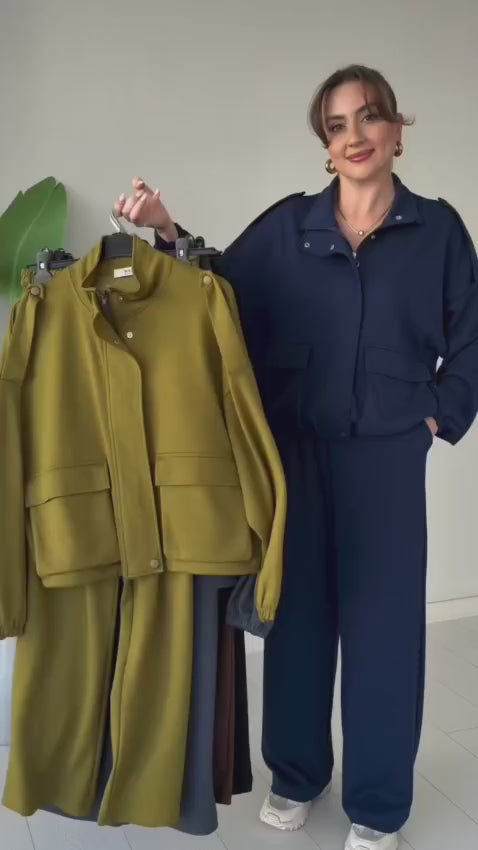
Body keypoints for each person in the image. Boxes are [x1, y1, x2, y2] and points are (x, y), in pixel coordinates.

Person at [113, 64, 478, 850]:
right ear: (326, 144)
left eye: (369, 117)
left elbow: (472, 339)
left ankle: (377, 804)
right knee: (297, 620)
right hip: (294, 458)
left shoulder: (439, 232)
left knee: (386, 633)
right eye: (337, 125)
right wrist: (169, 232)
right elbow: (214, 294)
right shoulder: (289, 227)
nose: (354, 136)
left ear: (396, 130)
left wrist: (438, 417)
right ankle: (297, 775)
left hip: (387, 460)